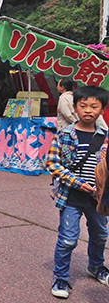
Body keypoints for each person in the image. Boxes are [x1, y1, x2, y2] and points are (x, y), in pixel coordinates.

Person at [47, 85, 109, 298]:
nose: (88, 110)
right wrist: (75, 181)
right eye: (83, 106)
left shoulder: (106, 137)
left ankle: (96, 266)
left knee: (101, 235)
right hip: (71, 197)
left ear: (102, 110)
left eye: (94, 106)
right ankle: (61, 278)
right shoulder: (64, 134)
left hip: (98, 199)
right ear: (74, 108)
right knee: (68, 240)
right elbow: (53, 164)